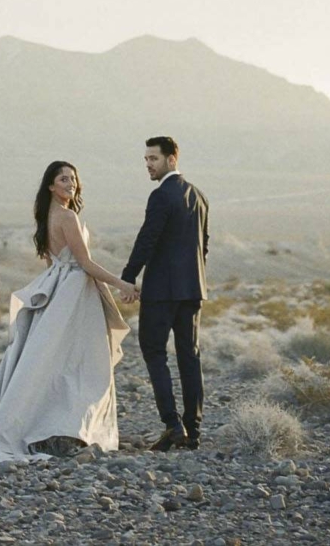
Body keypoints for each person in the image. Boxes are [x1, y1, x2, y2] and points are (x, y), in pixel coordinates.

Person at [0, 160, 137, 466]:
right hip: (75, 293)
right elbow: (85, 263)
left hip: (61, 288)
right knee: (82, 362)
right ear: (51, 186)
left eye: (73, 179)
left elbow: (52, 263)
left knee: (49, 363)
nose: (70, 183)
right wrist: (120, 282)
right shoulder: (68, 216)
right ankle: (68, 427)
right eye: (63, 179)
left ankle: (52, 426)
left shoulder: (48, 217)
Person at [120, 136, 210, 451]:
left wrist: (129, 276)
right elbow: (204, 247)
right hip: (193, 290)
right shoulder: (199, 196)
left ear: (172, 159)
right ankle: (193, 431)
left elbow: (147, 239)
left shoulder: (161, 196)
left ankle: (173, 425)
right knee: (190, 356)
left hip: (161, 291)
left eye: (153, 159)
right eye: (146, 159)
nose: (148, 164)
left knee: (154, 352)